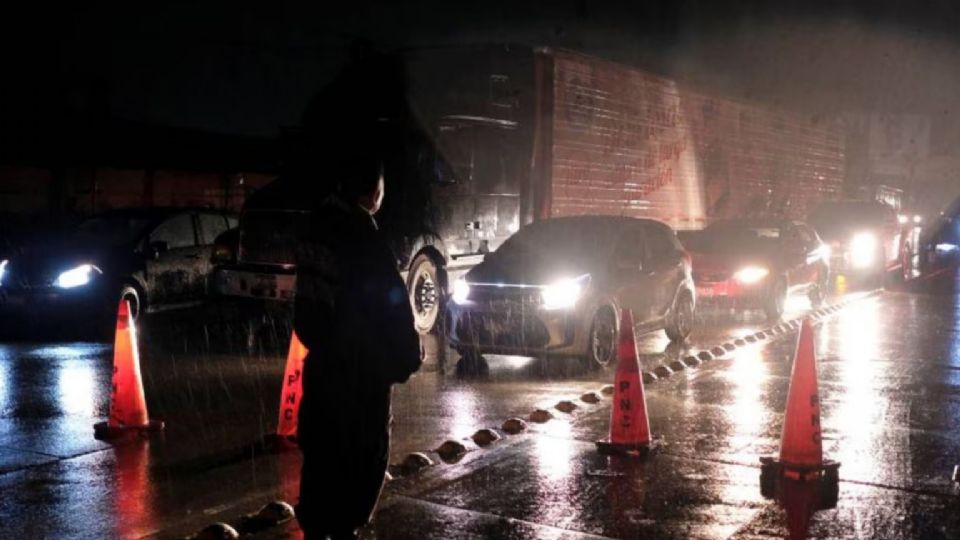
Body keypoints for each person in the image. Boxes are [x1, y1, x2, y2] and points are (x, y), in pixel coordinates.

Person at [293, 146, 422, 538]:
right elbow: (391, 301)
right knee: (360, 460)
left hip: (324, 368)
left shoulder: (318, 228)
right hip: (361, 371)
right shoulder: (362, 235)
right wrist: (406, 355)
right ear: (372, 189)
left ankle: (319, 525)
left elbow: (308, 308)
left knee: (321, 457)